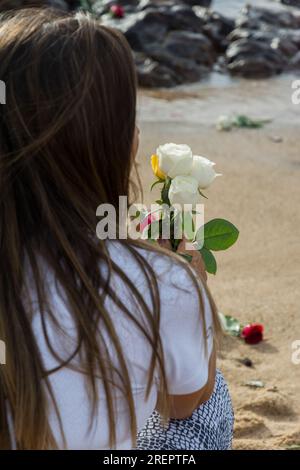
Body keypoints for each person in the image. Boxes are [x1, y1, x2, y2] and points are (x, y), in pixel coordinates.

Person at [0, 8, 233, 450]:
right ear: (114, 146)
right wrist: (194, 290)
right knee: (213, 397)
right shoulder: (161, 280)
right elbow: (185, 401)